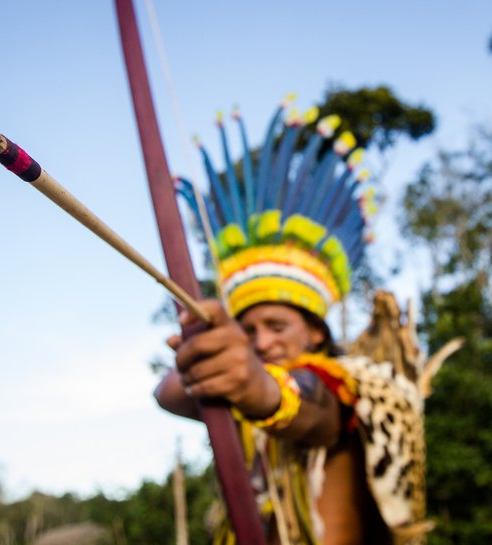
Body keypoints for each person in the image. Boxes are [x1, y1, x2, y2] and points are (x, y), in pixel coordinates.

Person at [155, 99, 430, 545]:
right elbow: (168, 392)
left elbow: (312, 408)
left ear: (317, 331)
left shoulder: (353, 389)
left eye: (276, 326)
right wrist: (206, 355)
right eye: (248, 332)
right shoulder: (234, 403)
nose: (260, 342)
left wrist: (257, 388)